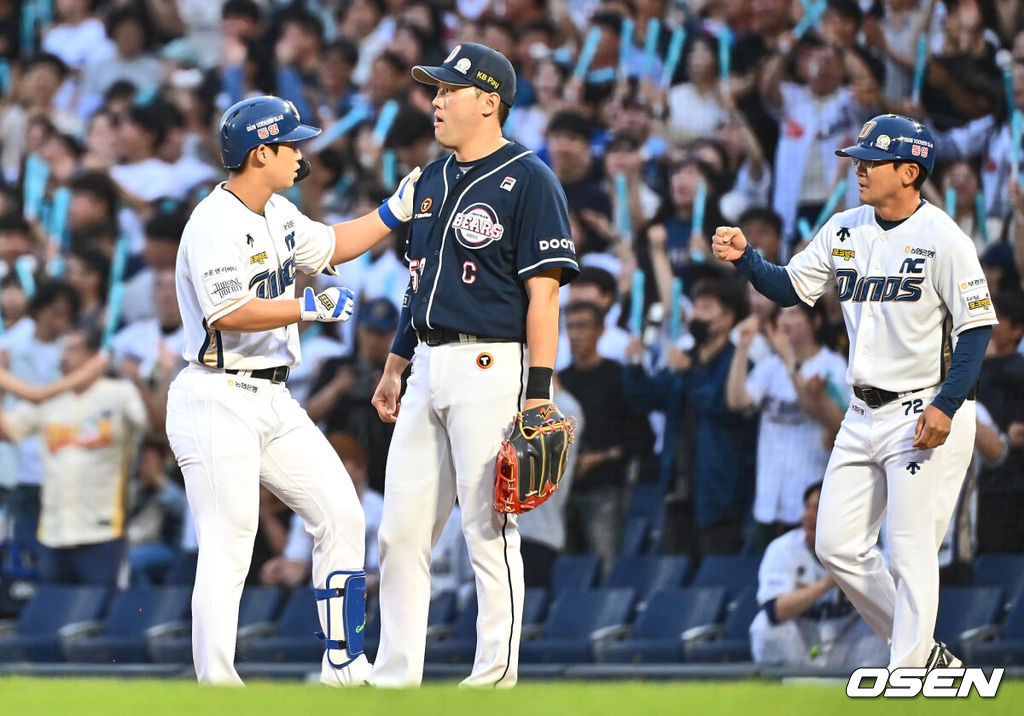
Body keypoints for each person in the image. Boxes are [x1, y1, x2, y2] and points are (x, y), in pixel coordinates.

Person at [712, 114, 998, 669]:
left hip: (923, 407)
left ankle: (908, 672)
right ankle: (921, 653)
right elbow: (789, 287)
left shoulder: (944, 238)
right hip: (861, 412)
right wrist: (748, 258)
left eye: (872, 161)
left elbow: (977, 329)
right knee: (837, 546)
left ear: (910, 171)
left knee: (910, 548)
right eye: (859, 159)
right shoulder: (846, 228)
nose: (859, 169)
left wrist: (947, 404)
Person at [164, 95, 421, 686]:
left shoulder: (277, 210)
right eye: (291, 143)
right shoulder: (213, 221)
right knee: (230, 546)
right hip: (215, 394)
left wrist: (394, 211)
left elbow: (331, 246)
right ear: (261, 153)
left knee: (342, 515)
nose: (301, 151)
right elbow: (226, 312)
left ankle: (343, 666)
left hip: (273, 397)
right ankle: (217, 687)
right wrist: (306, 305)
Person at [369, 43, 578, 688]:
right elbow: (419, 280)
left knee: (489, 529)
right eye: (434, 89)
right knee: (400, 532)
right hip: (428, 360)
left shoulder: (531, 177)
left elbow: (544, 296)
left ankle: (493, 677)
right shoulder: (429, 180)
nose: (434, 100)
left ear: (489, 102)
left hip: (492, 362)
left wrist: (538, 393)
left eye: (448, 90)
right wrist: (396, 360)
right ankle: (394, 674)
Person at [0, 328, 146, 588]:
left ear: (94, 356)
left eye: (73, 349)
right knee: (56, 617)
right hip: (53, 532)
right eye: (63, 349)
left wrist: (139, 381)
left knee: (97, 619)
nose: (65, 356)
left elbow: (154, 428)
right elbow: (8, 431)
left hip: (102, 531)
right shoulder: (51, 398)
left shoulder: (119, 393)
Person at [750, 482, 888, 668]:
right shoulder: (783, 549)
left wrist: (857, 584)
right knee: (764, 626)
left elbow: (890, 610)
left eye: (818, 509)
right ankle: (786, 686)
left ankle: (863, 687)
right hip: (801, 642)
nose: (808, 516)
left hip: (847, 641)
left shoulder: (869, 553)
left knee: (888, 628)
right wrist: (826, 584)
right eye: (807, 507)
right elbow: (775, 611)